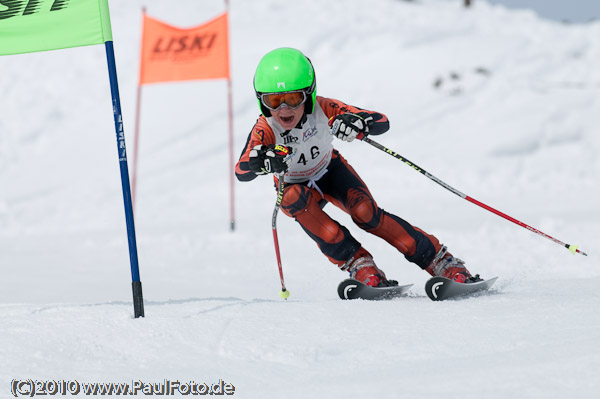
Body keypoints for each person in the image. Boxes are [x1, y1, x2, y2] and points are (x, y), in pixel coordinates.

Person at [235, 47, 476, 287]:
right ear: (262, 102)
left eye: (293, 99)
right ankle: (360, 265)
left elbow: (381, 121)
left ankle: (440, 260)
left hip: (330, 172)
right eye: (274, 101)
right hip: (293, 185)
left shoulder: (323, 108)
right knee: (293, 197)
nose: (283, 110)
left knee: (365, 214)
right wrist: (263, 160)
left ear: (309, 94)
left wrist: (354, 122)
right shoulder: (265, 127)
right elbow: (242, 170)